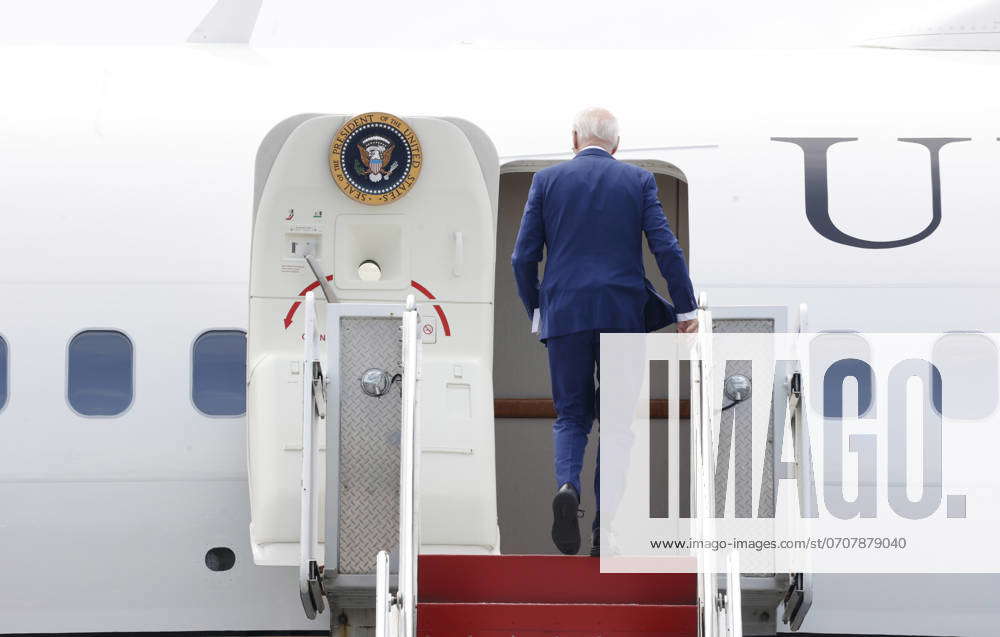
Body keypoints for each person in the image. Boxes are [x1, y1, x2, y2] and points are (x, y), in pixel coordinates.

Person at [511, 107, 698, 556]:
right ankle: (603, 530)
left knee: (571, 416)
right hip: (622, 315)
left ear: (573, 137)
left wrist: (537, 307)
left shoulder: (546, 182)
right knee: (616, 427)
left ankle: (567, 486)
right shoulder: (638, 182)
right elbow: (665, 248)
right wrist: (685, 308)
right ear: (616, 144)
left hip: (566, 315)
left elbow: (522, 258)